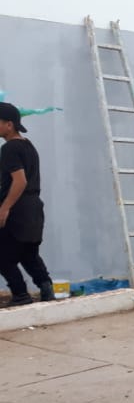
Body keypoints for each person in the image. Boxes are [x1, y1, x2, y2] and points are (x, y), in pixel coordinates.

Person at [0, 101, 55, 306]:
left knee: (3, 257)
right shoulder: (28, 145)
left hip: (18, 209)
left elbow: (20, 181)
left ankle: (21, 295)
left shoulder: (9, 148)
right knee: (28, 254)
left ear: (9, 125)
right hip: (33, 209)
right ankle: (47, 290)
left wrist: (5, 207)